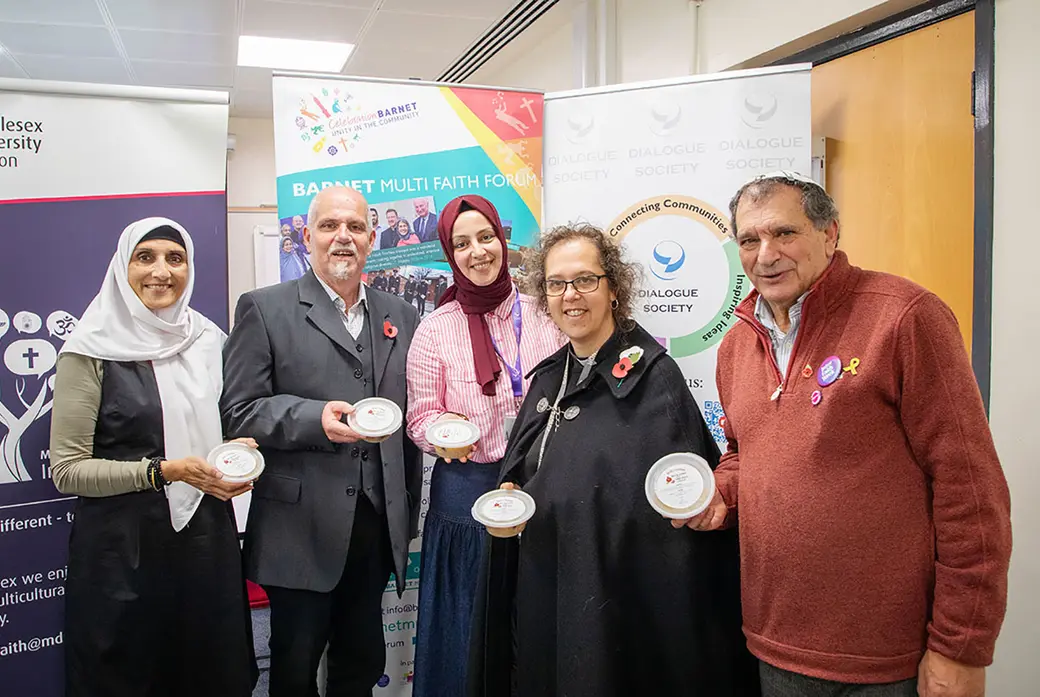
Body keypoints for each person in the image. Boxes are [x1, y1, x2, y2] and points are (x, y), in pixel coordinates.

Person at [679, 172, 1012, 697]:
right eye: (749, 239)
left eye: (784, 233)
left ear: (829, 233)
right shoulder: (736, 345)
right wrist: (722, 491)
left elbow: (969, 489)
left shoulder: (904, 317)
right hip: (774, 643)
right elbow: (746, 454)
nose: (766, 255)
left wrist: (960, 645)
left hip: (888, 659)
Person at [469, 224, 757, 697]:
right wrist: (513, 490)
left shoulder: (654, 379)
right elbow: (529, 467)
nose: (570, 295)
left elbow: (674, 525)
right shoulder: (548, 378)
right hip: (547, 585)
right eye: (557, 284)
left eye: (585, 279)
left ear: (614, 288)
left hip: (617, 601)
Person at [221, 186, 422, 697]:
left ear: (372, 239)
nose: (343, 237)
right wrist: (314, 418)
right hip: (299, 530)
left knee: (361, 665)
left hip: (375, 528)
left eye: (355, 227)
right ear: (307, 236)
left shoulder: (401, 313)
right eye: (330, 226)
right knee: (295, 672)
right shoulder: (264, 308)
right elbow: (238, 411)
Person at [49, 217, 257, 697]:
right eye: (145, 257)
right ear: (122, 267)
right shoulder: (90, 349)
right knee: (127, 676)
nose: (161, 271)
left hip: (205, 541)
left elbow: (226, 423)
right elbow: (67, 470)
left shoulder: (209, 340)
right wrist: (163, 472)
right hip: (121, 549)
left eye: (175, 258)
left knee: (210, 670)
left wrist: (235, 450)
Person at [406, 195, 565, 697]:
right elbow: (420, 417)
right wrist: (441, 432)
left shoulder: (546, 313)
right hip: (467, 495)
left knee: (537, 623)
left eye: (485, 237)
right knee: (466, 631)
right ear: (449, 254)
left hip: (543, 487)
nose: (477, 251)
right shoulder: (434, 329)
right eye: (462, 243)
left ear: (502, 239)